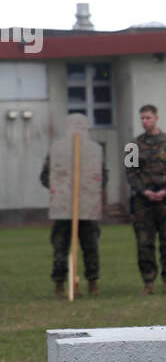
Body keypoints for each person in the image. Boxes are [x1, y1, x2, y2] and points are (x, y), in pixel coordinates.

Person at [40, 121, 107, 298]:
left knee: (90, 247)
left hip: (86, 209)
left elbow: (102, 177)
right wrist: (62, 188)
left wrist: (88, 189)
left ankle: (93, 283)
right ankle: (60, 285)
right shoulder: (57, 151)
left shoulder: (94, 152)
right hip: (63, 210)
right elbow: (46, 176)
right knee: (60, 247)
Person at [127, 104, 166, 295]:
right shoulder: (133, 146)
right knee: (144, 244)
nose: (145, 121)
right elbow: (130, 174)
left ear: (156, 118)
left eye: (148, 118)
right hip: (143, 203)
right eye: (142, 118)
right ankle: (148, 281)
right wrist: (144, 191)